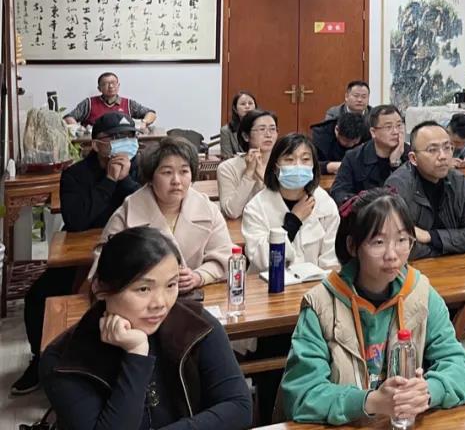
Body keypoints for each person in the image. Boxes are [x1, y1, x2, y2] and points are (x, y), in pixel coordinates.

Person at [279, 189, 465, 425]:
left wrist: (426, 391)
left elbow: (461, 369)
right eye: (378, 242)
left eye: (402, 240)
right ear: (353, 246)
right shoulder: (321, 304)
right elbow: (301, 395)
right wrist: (371, 402)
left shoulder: (420, 293)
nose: (392, 255)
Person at [40, 228, 252, 429]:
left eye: (171, 285)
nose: (160, 303)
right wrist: (137, 354)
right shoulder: (64, 360)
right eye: (143, 289)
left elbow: (239, 407)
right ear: (100, 287)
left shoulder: (196, 325)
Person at [11, 112, 141, 395]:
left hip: (127, 252)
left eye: (129, 136)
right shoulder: (75, 175)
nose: (124, 142)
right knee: (38, 296)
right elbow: (77, 221)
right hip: (80, 253)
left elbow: (143, 206)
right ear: (96, 144)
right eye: (115, 137)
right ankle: (40, 359)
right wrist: (109, 181)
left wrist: (125, 180)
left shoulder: (137, 167)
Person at [91, 136, 234, 291]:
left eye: (184, 171)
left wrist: (199, 276)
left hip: (196, 295)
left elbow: (224, 255)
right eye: (167, 172)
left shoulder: (207, 209)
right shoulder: (128, 211)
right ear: (150, 178)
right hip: (141, 299)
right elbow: (103, 266)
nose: (176, 180)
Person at [385, 121, 465, 260]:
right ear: (413, 158)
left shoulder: (458, 181)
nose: (443, 156)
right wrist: (450, 248)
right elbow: (399, 245)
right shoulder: (398, 185)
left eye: (447, 148)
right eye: (432, 150)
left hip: (455, 265)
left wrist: (431, 237)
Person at [243, 133, 340, 272]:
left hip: (314, 283)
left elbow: (331, 260)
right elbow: (261, 260)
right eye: (289, 159)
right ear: (275, 167)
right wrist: (293, 222)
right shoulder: (256, 207)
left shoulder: (325, 203)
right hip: (267, 282)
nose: (298, 166)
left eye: (305, 159)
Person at [331, 105, 410, 206]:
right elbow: (338, 193)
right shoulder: (354, 157)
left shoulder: (410, 155)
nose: (396, 132)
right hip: (365, 212)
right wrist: (365, 204)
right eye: (388, 127)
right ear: (373, 132)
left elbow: (410, 195)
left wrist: (395, 163)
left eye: (399, 125)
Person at [217, 109, 278, 219]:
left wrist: (263, 176)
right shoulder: (227, 168)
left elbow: (285, 206)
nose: (269, 135)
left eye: (273, 129)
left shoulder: (283, 164)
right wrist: (248, 174)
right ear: (246, 136)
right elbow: (231, 212)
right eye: (262, 129)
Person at [63, 72, 157, 128]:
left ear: (118, 86)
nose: (111, 86)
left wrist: (144, 122)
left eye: (113, 83)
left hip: (123, 143)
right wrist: (78, 129)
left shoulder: (128, 103)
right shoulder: (89, 103)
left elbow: (151, 113)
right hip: (94, 144)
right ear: (99, 88)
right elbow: (68, 117)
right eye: (105, 84)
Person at [220, 90, 257, 158]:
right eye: (243, 104)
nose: (247, 106)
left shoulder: (262, 127)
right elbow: (227, 157)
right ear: (235, 109)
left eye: (250, 103)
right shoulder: (226, 131)